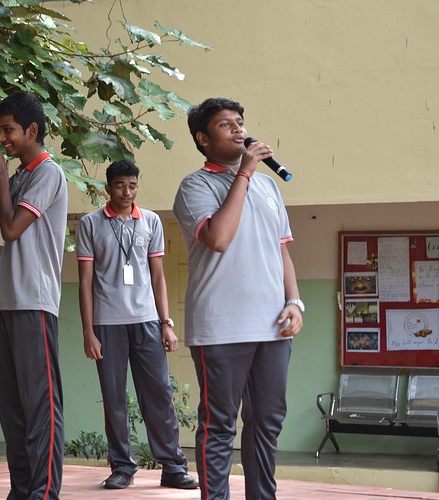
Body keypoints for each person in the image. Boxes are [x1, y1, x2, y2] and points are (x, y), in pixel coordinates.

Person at [172, 97, 304, 500]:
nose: (238, 129)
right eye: (225, 124)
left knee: (267, 421)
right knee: (219, 424)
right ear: (203, 139)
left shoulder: (268, 186)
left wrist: (295, 302)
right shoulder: (195, 186)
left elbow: (281, 251)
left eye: (240, 122)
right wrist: (244, 172)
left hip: (272, 326)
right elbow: (218, 238)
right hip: (221, 327)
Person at [76, 159, 199, 491]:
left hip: (147, 322)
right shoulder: (90, 224)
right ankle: (122, 467)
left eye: (132, 185)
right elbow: (85, 282)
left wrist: (166, 323)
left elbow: (158, 276)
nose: (127, 192)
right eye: (120, 186)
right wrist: (88, 331)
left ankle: (173, 467)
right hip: (107, 324)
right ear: (108, 188)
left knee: (158, 394)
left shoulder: (151, 221)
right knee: (114, 398)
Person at [0, 91, 67, 499]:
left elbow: (13, 228)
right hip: (7, 306)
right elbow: (5, 247)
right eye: (0, 130)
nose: (2, 138)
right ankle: (22, 490)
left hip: (35, 303)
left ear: (32, 130)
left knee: (40, 407)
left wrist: (0, 178)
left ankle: (44, 492)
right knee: (12, 409)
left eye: (8, 130)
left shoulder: (48, 172)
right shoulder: (17, 178)